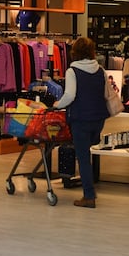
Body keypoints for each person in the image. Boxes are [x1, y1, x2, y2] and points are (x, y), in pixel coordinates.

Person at [53, 37, 109, 208]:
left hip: (81, 119)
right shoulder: (100, 70)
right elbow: (106, 94)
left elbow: (70, 95)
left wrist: (57, 105)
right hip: (98, 119)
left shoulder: (72, 71)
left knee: (83, 158)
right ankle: (90, 190)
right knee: (87, 154)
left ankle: (89, 196)